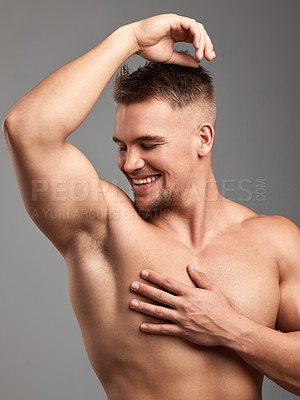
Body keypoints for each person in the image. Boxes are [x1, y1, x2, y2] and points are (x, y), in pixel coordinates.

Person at [2, 12, 300, 400]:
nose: (129, 164)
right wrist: (129, 37)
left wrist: (230, 329)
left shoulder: (275, 240)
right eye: (122, 147)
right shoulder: (105, 228)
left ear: (203, 139)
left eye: (149, 145)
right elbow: (27, 128)